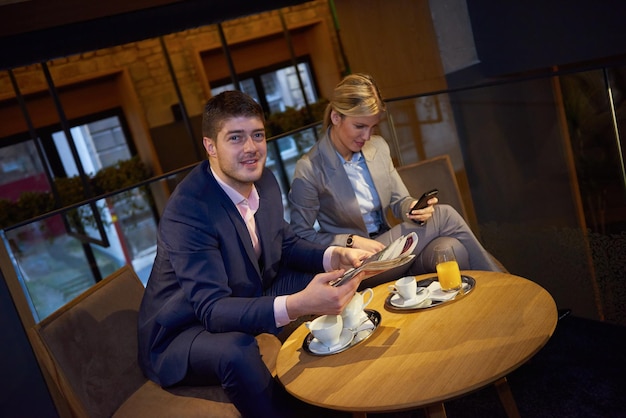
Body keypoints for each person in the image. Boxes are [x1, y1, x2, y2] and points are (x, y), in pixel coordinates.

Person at [137, 90, 371, 418]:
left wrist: (334, 255)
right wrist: (297, 304)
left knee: (333, 278)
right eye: (236, 138)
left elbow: (284, 243)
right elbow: (212, 310)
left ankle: (354, 386)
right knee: (237, 351)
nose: (251, 148)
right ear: (210, 147)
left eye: (257, 135)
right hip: (186, 330)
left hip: (248, 291)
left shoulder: (265, 179)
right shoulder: (188, 211)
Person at [289, 73, 502, 287]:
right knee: (444, 216)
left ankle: (478, 312)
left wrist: (413, 208)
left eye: (372, 127)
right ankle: (501, 285)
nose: (366, 136)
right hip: (355, 264)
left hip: (390, 249)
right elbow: (300, 236)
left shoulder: (378, 147)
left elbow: (400, 201)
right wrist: (349, 241)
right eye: (360, 126)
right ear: (336, 117)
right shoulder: (309, 169)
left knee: (450, 248)